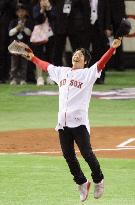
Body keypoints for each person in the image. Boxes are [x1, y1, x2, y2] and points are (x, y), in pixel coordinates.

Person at [22, 36, 122, 202]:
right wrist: (33, 58)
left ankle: (98, 180)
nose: (76, 56)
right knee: (68, 155)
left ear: (85, 62)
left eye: (80, 55)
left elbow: (101, 63)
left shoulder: (88, 74)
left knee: (86, 153)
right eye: (75, 53)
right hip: (63, 123)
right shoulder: (62, 71)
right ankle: (82, 182)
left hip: (79, 122)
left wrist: (112, 49)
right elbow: (45, 66)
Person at [53, 0, 91, 66]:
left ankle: (79, 70)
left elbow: (85, 8)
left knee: (77, 50)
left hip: (75, 26)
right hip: (60, 25)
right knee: (58, 51)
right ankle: (57, 72)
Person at [32, 0, 56, 86]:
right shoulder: (36, 7)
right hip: (39, 35)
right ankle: (39, 77)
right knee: (38, 55)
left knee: (50, 55)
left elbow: (54, 17)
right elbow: (37, 18)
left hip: (50, 34)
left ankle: (50, 77)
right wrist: (42, 10)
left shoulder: (52, 6)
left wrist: (49, 9)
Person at [8, 3, 33, 85]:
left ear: (25, 12)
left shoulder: (28, 22)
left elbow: (30, 33)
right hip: (15, 46)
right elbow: (10, 33)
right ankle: (14, 79)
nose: (21, 13)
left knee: (24, 63)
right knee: (14, 63)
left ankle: (23, 79)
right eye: (19, 11)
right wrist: (17, 28)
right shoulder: (13, 22)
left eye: (23, 11)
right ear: (16, 13)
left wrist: (24, 28)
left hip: (25, 46)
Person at [89, 0, 110, 84]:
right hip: (84, 27)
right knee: (85, 53)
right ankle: (86, 78)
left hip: (100, 28)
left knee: (100, 54)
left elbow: (107, 12)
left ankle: (100, 77)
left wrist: (108, 27)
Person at [106, 0, 127, 71]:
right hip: (117, 20)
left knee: (114, 43)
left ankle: (115, 64)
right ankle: (118, 65)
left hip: (114, 20)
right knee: (117, 44)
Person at [0, 0, 16, 83]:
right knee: (2, 51)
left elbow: (15, 9)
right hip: (3, 25)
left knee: (11, 50)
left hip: (12, 25)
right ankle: (2, 76)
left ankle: (10, 75)